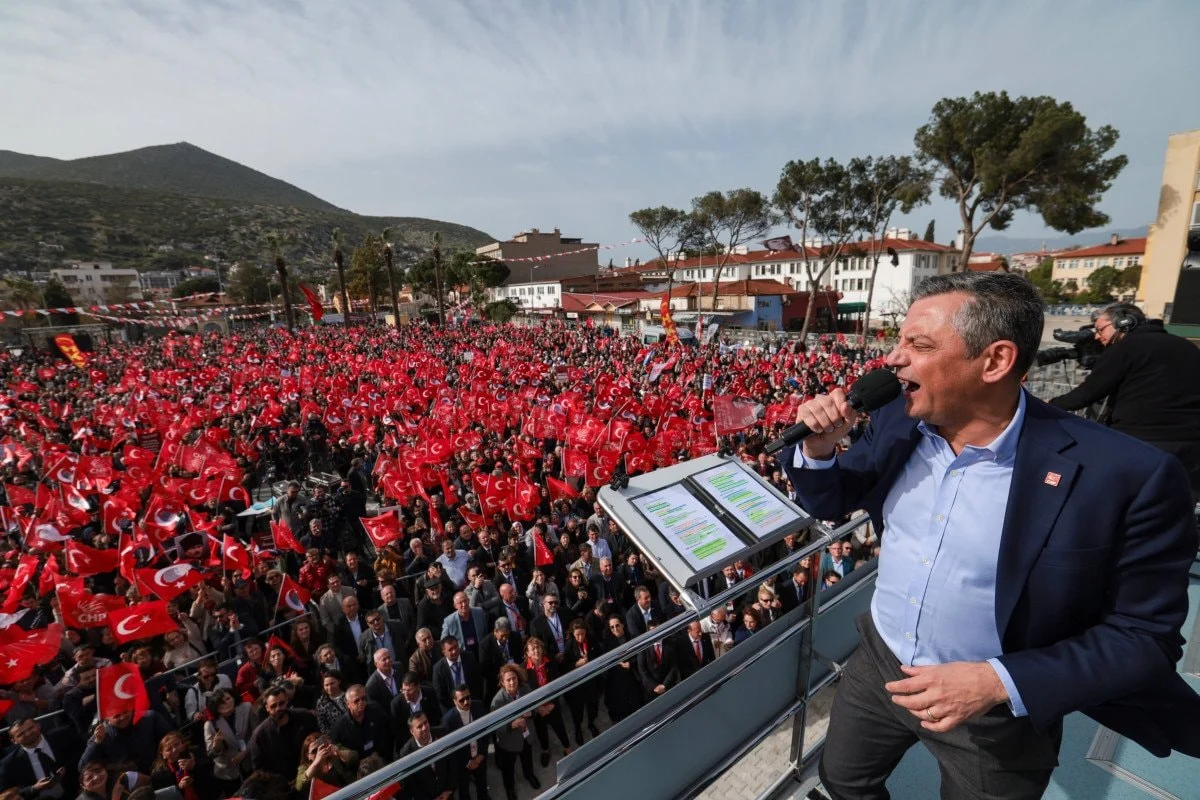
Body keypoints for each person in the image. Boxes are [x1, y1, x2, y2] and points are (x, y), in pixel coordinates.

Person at [784, 272, 1200, 799]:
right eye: (899, 341)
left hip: (998, 709)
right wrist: (819, 452)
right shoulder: (897, 418)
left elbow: (1144, 637)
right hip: (880, 662)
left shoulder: (1127, 475)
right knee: (843, 781)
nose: (893, 359)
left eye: (919, 344)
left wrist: (997, 682)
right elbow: (837, 498)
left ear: (996, 361)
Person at [1049, 302, 1200, 499]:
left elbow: (1086, 394)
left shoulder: (1125, 348)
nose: (1097, 335)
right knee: (1177, 508)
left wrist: (1049, 406)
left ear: (1124, 322)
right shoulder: (1187, 346)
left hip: (1143, 442)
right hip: (1193, 446)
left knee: (1127, 506)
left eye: (1100, 328)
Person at [0, 715, 83, 799]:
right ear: (14, 741)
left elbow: (83, 758)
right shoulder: (8, 764)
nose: (28, 733)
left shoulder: (64, 735)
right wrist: (34, 788)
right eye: (21, 734)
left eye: (30, 728)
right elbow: (5, 794)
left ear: (38, 725)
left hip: (77, 793)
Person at [247, 686, 320, 780]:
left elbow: (319, 738)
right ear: (267, 708)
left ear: (287, 701)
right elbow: (259, 768)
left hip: (314, 773)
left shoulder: (305, 716)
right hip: (285, 785)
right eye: (273, 706)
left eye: (281, 703)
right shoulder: (259, 735)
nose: (278, 708)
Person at [490, 664, 540, 800]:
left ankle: (529, 774)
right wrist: (511, 725)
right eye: (508, 680)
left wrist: (532, 712)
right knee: (508, 768)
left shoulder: (525, 689)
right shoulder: (497, 701)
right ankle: (510, 788)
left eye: (514, 678)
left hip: (526, 735)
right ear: (502, 682)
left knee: (527, 758)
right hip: (509, 742)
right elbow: (495, 727)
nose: (512, 682)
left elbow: (535, 706)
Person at [440, 685, 491, 800]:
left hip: (480, 757)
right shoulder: (448, 720)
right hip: (462, 765)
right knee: (464, 791)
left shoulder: (479, 706)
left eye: (468, 697)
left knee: (482, 785)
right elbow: (451, 749)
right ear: (454, 701)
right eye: (462, 700)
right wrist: (467, 762)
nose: (466, 702)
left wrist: (482, 754)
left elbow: (486, 733)